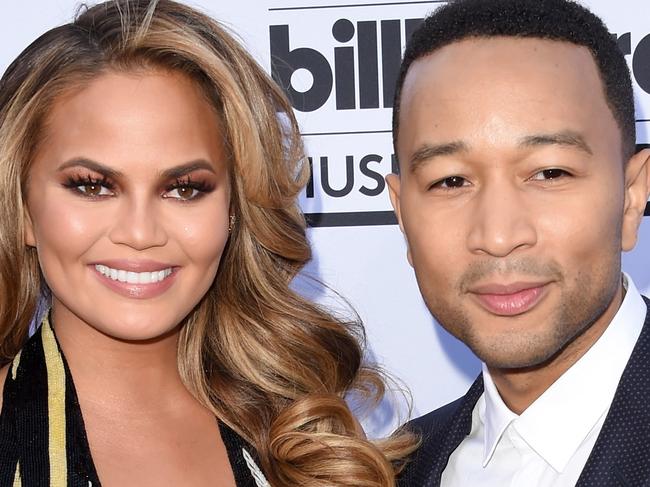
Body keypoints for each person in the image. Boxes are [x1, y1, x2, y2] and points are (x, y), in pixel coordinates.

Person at [0, 1, 417, 485]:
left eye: (184, 188)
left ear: (235, 209)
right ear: (23, 208)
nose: (140, 233)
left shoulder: (301, 441)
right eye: (93, 185)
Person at [387, 0, 650, 485]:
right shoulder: (389, 470)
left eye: (550, 173)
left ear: (632, 196)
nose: (499, 236)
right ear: (403, 214)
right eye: (450, 182)